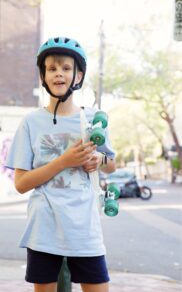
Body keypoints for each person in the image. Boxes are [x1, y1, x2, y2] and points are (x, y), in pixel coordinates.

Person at [6, 36, 116, 292]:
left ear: (78, 77)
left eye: (66, 68)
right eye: (51, 68)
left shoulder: (93, 120)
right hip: (43, 230)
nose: (58, 74)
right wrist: (64, 161)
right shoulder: (30, 123)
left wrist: (99, 159)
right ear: (42, 77)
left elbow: (112, 164)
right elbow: (21, 184)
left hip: (85, 229)